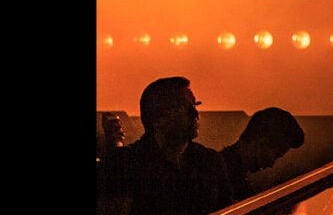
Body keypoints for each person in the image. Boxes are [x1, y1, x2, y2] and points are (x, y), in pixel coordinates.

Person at [96, 76, 234, 215]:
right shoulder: (124, 163)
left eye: (194, 105)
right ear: (157, 118)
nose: (195, 113)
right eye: (182, 107)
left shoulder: (209, 161)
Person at [218, 107, 306, 202]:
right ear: (261, 143)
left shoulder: (225, 173)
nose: (271, 164)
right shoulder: (222, 179)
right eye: (275, 156)